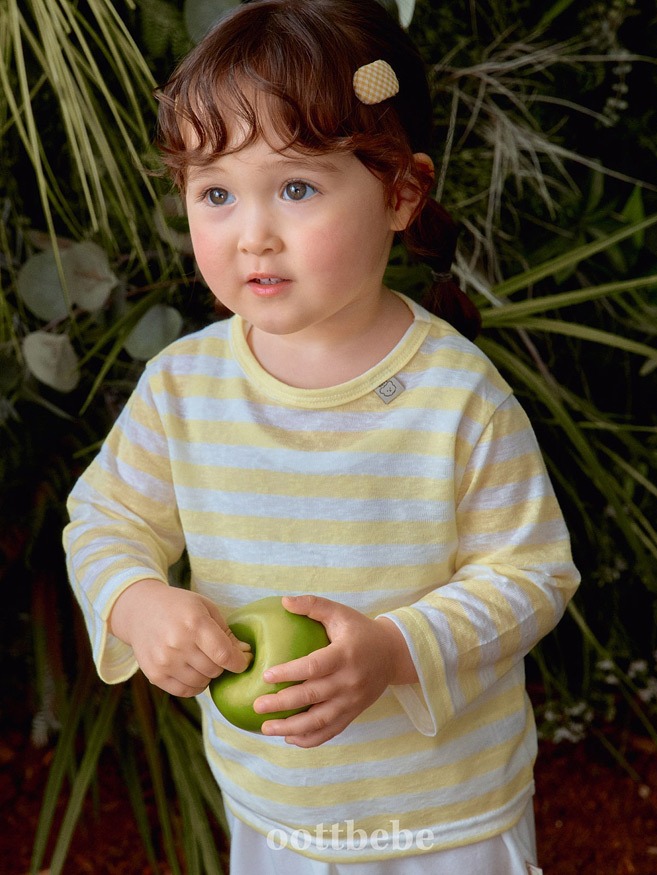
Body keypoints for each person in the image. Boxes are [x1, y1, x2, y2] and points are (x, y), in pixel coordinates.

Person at [63, 1, 580, 872]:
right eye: (216, 193)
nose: (253, 235)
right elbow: (104, 523)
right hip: (273, 812)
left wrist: (397, 649)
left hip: (444, 818)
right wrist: (137, 601)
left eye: (296, 188)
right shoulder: (183, 389)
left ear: (400, 193)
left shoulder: (457, 397)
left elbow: (532, 573)